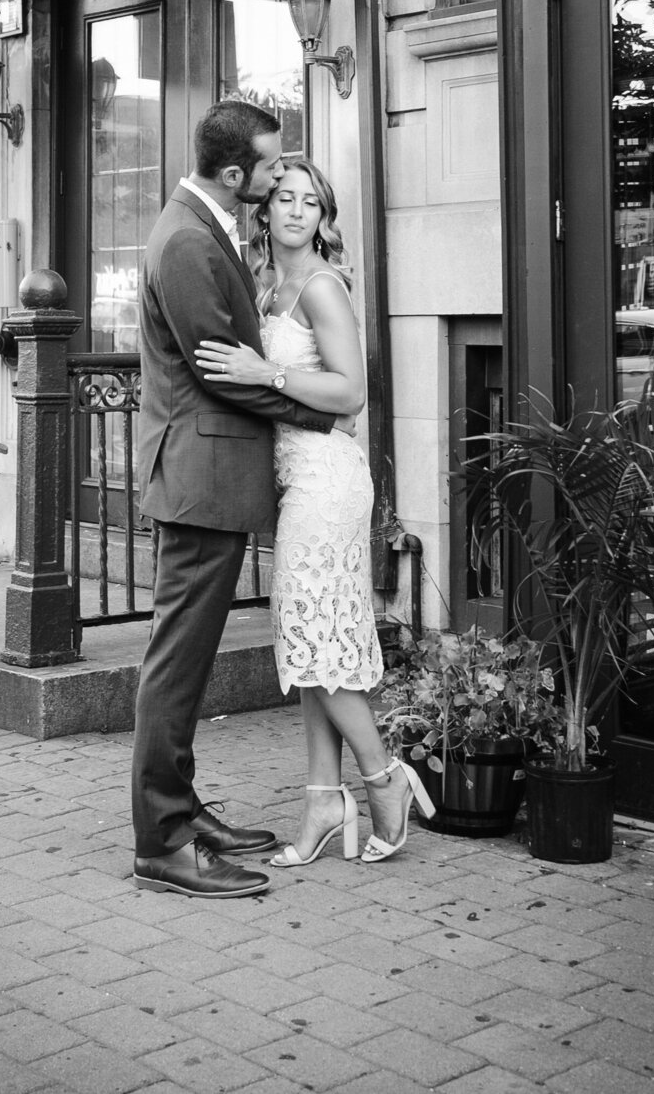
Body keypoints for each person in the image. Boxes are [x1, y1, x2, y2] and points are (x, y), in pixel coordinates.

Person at [196, 160, 434, 867]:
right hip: (295, 479)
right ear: (265, 211)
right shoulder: (268, 284)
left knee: (313, 639)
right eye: (285, 198)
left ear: (323, 216)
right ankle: (323, 800)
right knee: (309, 645)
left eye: (311, 201)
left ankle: (385, 777)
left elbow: (352, 391)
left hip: (327, 478)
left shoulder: (323, 286)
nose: (296, 210)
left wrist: (264, 371)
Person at [131, 101, 337, 900]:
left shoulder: (203, 220)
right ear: (231, 174)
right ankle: (163, 840)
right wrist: (319, 412)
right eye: (270, 164)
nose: (281, 172)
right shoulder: (185, 238)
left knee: (186, 659)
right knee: (175, 666)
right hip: (197, 481)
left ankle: (182, 809)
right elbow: (225, 369)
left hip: (208, 480)